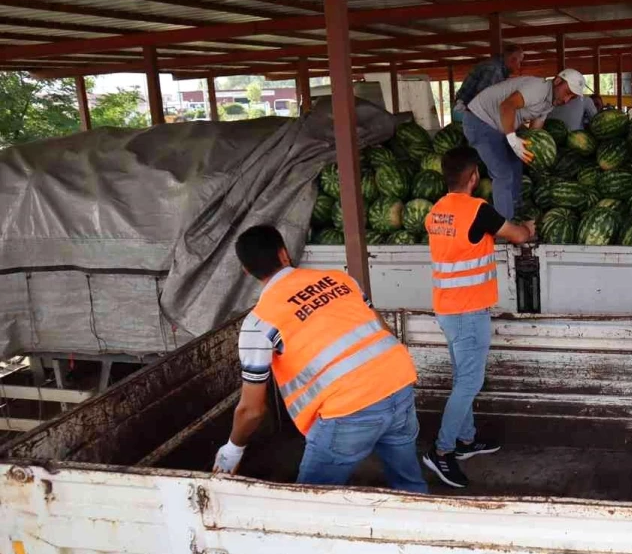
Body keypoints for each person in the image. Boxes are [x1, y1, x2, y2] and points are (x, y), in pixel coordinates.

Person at [213, 225, 427, 493]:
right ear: (284, 254)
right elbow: (382, 330)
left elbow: (252, 410)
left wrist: (233, 448)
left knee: (312, 501)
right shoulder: (340, 279)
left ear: (246, 271)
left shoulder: (259, 322)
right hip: (398, 383)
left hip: (347, 410)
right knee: (409, 485)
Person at [421, 148, 537, 488]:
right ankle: (441, 452)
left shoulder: (436, 212)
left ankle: (467, 441)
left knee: (463, 378)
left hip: (447, 308)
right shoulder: (477, 210)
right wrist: (528, 228)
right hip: (468, 312)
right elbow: (516, 235)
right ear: (473, 176)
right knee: (469, 383)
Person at [463, 69, 588, 220]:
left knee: (515, 163)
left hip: (497, 125)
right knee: (503, 173)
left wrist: (537, 158)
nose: (567, 100)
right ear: (557, 81)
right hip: (480, 121)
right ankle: (504, 227)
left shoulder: (549, 103)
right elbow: (507, 106)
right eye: (567, 92)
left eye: (572, 97)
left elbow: (535, 133)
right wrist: (511, 138)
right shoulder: (538, 89)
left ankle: (515, 210)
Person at [451, 43, 524, 123]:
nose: (519, 66)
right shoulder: (494, 70)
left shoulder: (497, 69)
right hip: (466, 113)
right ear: (513, 60)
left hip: (468, 112)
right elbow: (483, 99)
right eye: (519, 62)